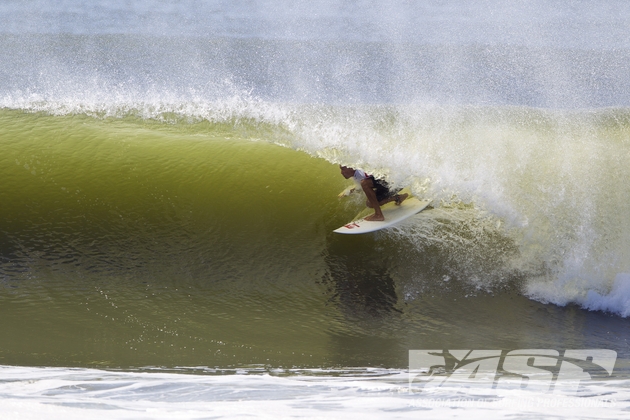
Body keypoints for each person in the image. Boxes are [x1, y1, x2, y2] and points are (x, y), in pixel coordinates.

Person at [339, 166, 408, 221]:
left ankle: (378, 215)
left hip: (396, 184)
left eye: (343, 169)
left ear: (351, 167)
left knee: (365, 183)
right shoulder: (357, 174)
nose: (341, 172)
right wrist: (349, 192)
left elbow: (367, 183)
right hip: (389, 185)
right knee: (369, 203)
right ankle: (398, 198)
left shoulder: (363, 171)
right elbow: (364, 184)